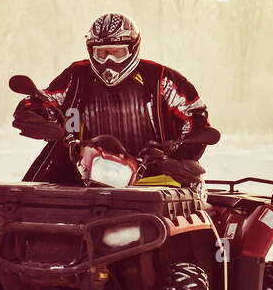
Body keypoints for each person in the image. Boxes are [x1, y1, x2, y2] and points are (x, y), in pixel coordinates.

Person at [13, 12, 220, 190]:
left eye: (116, 52)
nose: (109, 61)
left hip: (152, 178)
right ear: (91, 51)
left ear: (132, 48)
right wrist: (36, 115)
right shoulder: (77, 76)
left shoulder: (160, 79)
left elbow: (195, 115)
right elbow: (47, 99)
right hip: (79, 174)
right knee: (24, 204)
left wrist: (179, 158)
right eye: (102, 53)